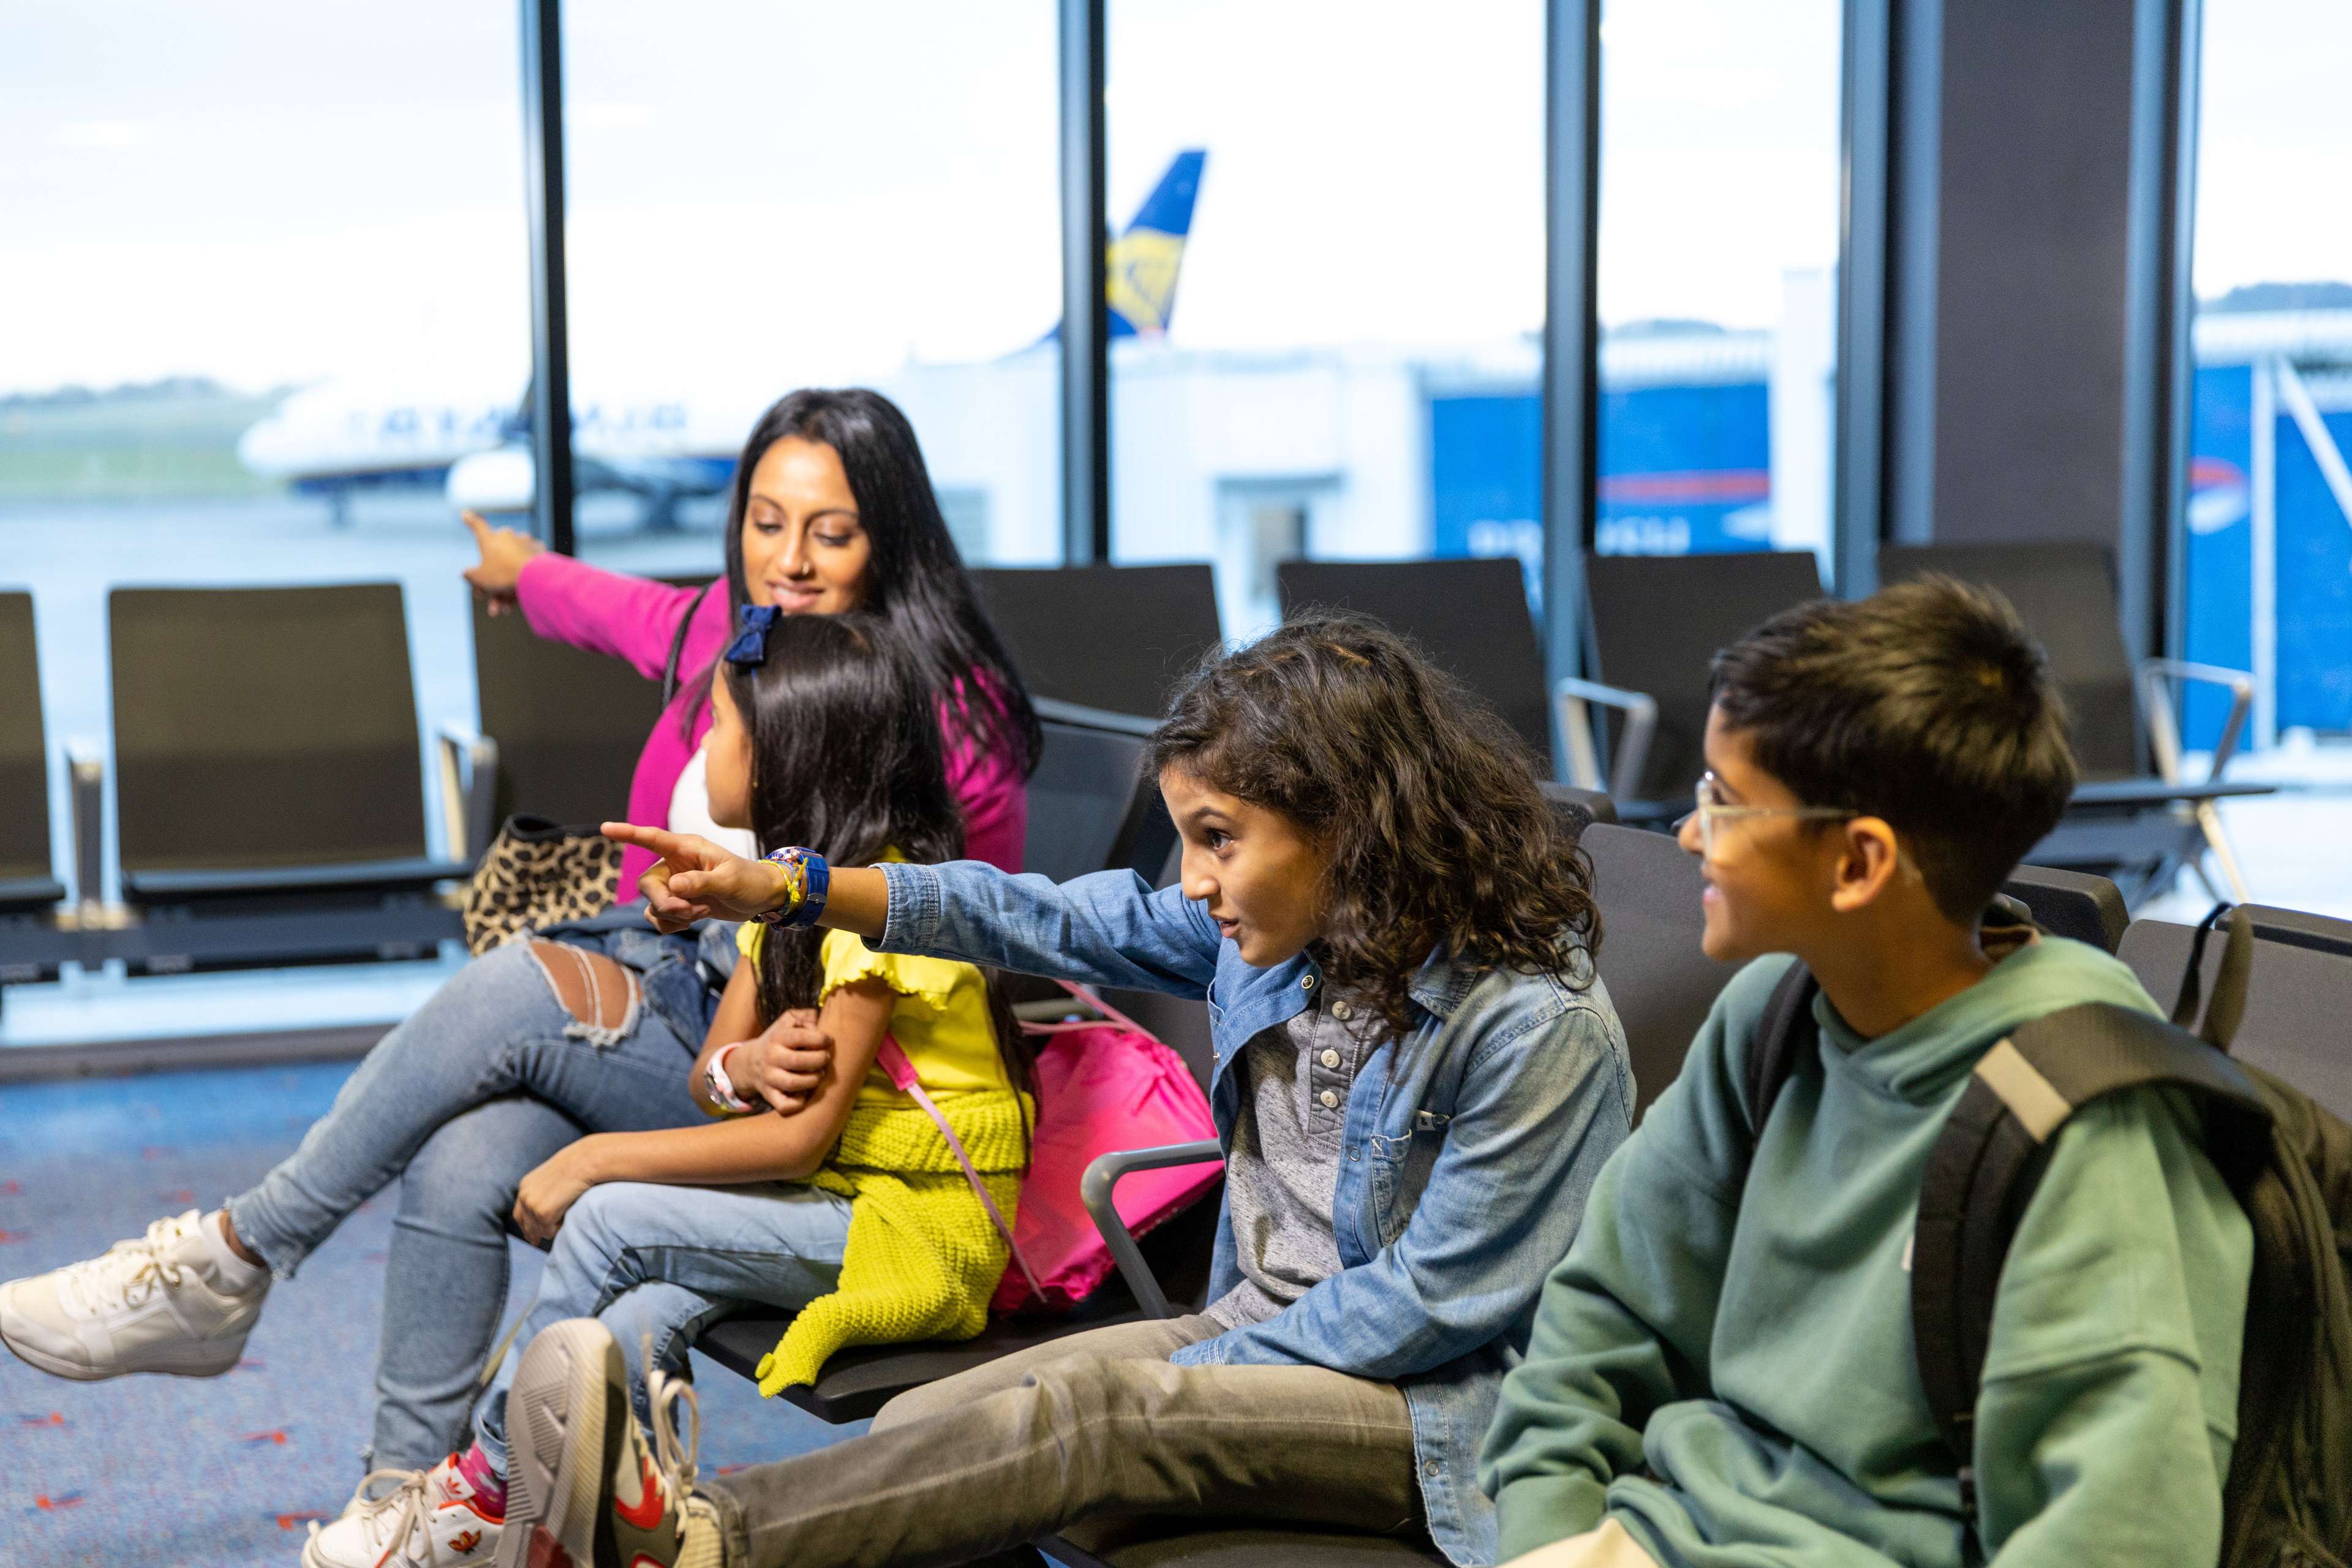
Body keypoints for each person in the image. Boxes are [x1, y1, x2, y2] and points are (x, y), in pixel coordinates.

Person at [0, 389, 1041, 1484]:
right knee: (467, 1156)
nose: (788, 560)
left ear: (893, 537)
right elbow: (611, 605)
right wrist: (518, 568)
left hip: (808, 1070)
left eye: (831, 532)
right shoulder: (734, 635)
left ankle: (233, 1256)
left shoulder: (932, 710)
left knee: (517, 986)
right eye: (765, 522)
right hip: (684, 1006)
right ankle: (406, 1498)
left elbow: (946, 924)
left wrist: (744, 919)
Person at [507, 612, 1633, 1568]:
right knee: (926, 1427)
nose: (1195, 882)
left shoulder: (1536, 1028)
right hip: (1251, 1331)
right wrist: (790, 888)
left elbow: (1428, 1308)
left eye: (1219, 840)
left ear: (1348, 822)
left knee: (1085, 1423)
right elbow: (1031, 914)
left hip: (1434, 1415)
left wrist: (1185, 1375)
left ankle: (699, 1543)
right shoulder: (1287, 932)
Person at [1477, 578, 2253, 1568]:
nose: (1690, 833)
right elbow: (1599, 1323)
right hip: (1654, 1534)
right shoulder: (1774, 1015)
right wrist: (1547, 1535)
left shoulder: (2089, 1119)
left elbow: (2126, 1531)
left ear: (1858, 864)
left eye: (1725, 801)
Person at [297, 611, 1035, 1568]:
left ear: (782, 760)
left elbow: (796, 1142)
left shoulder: (874, 910)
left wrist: (596, 1159)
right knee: (631, 1324)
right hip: (834, 1203)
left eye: (720, 727)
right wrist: (743, 1067)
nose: (702, 749)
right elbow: (705, 1081)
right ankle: (603, 1542)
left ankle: (486, 1494)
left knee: (609, 1220)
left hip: (917, 1232)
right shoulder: (786, 891)